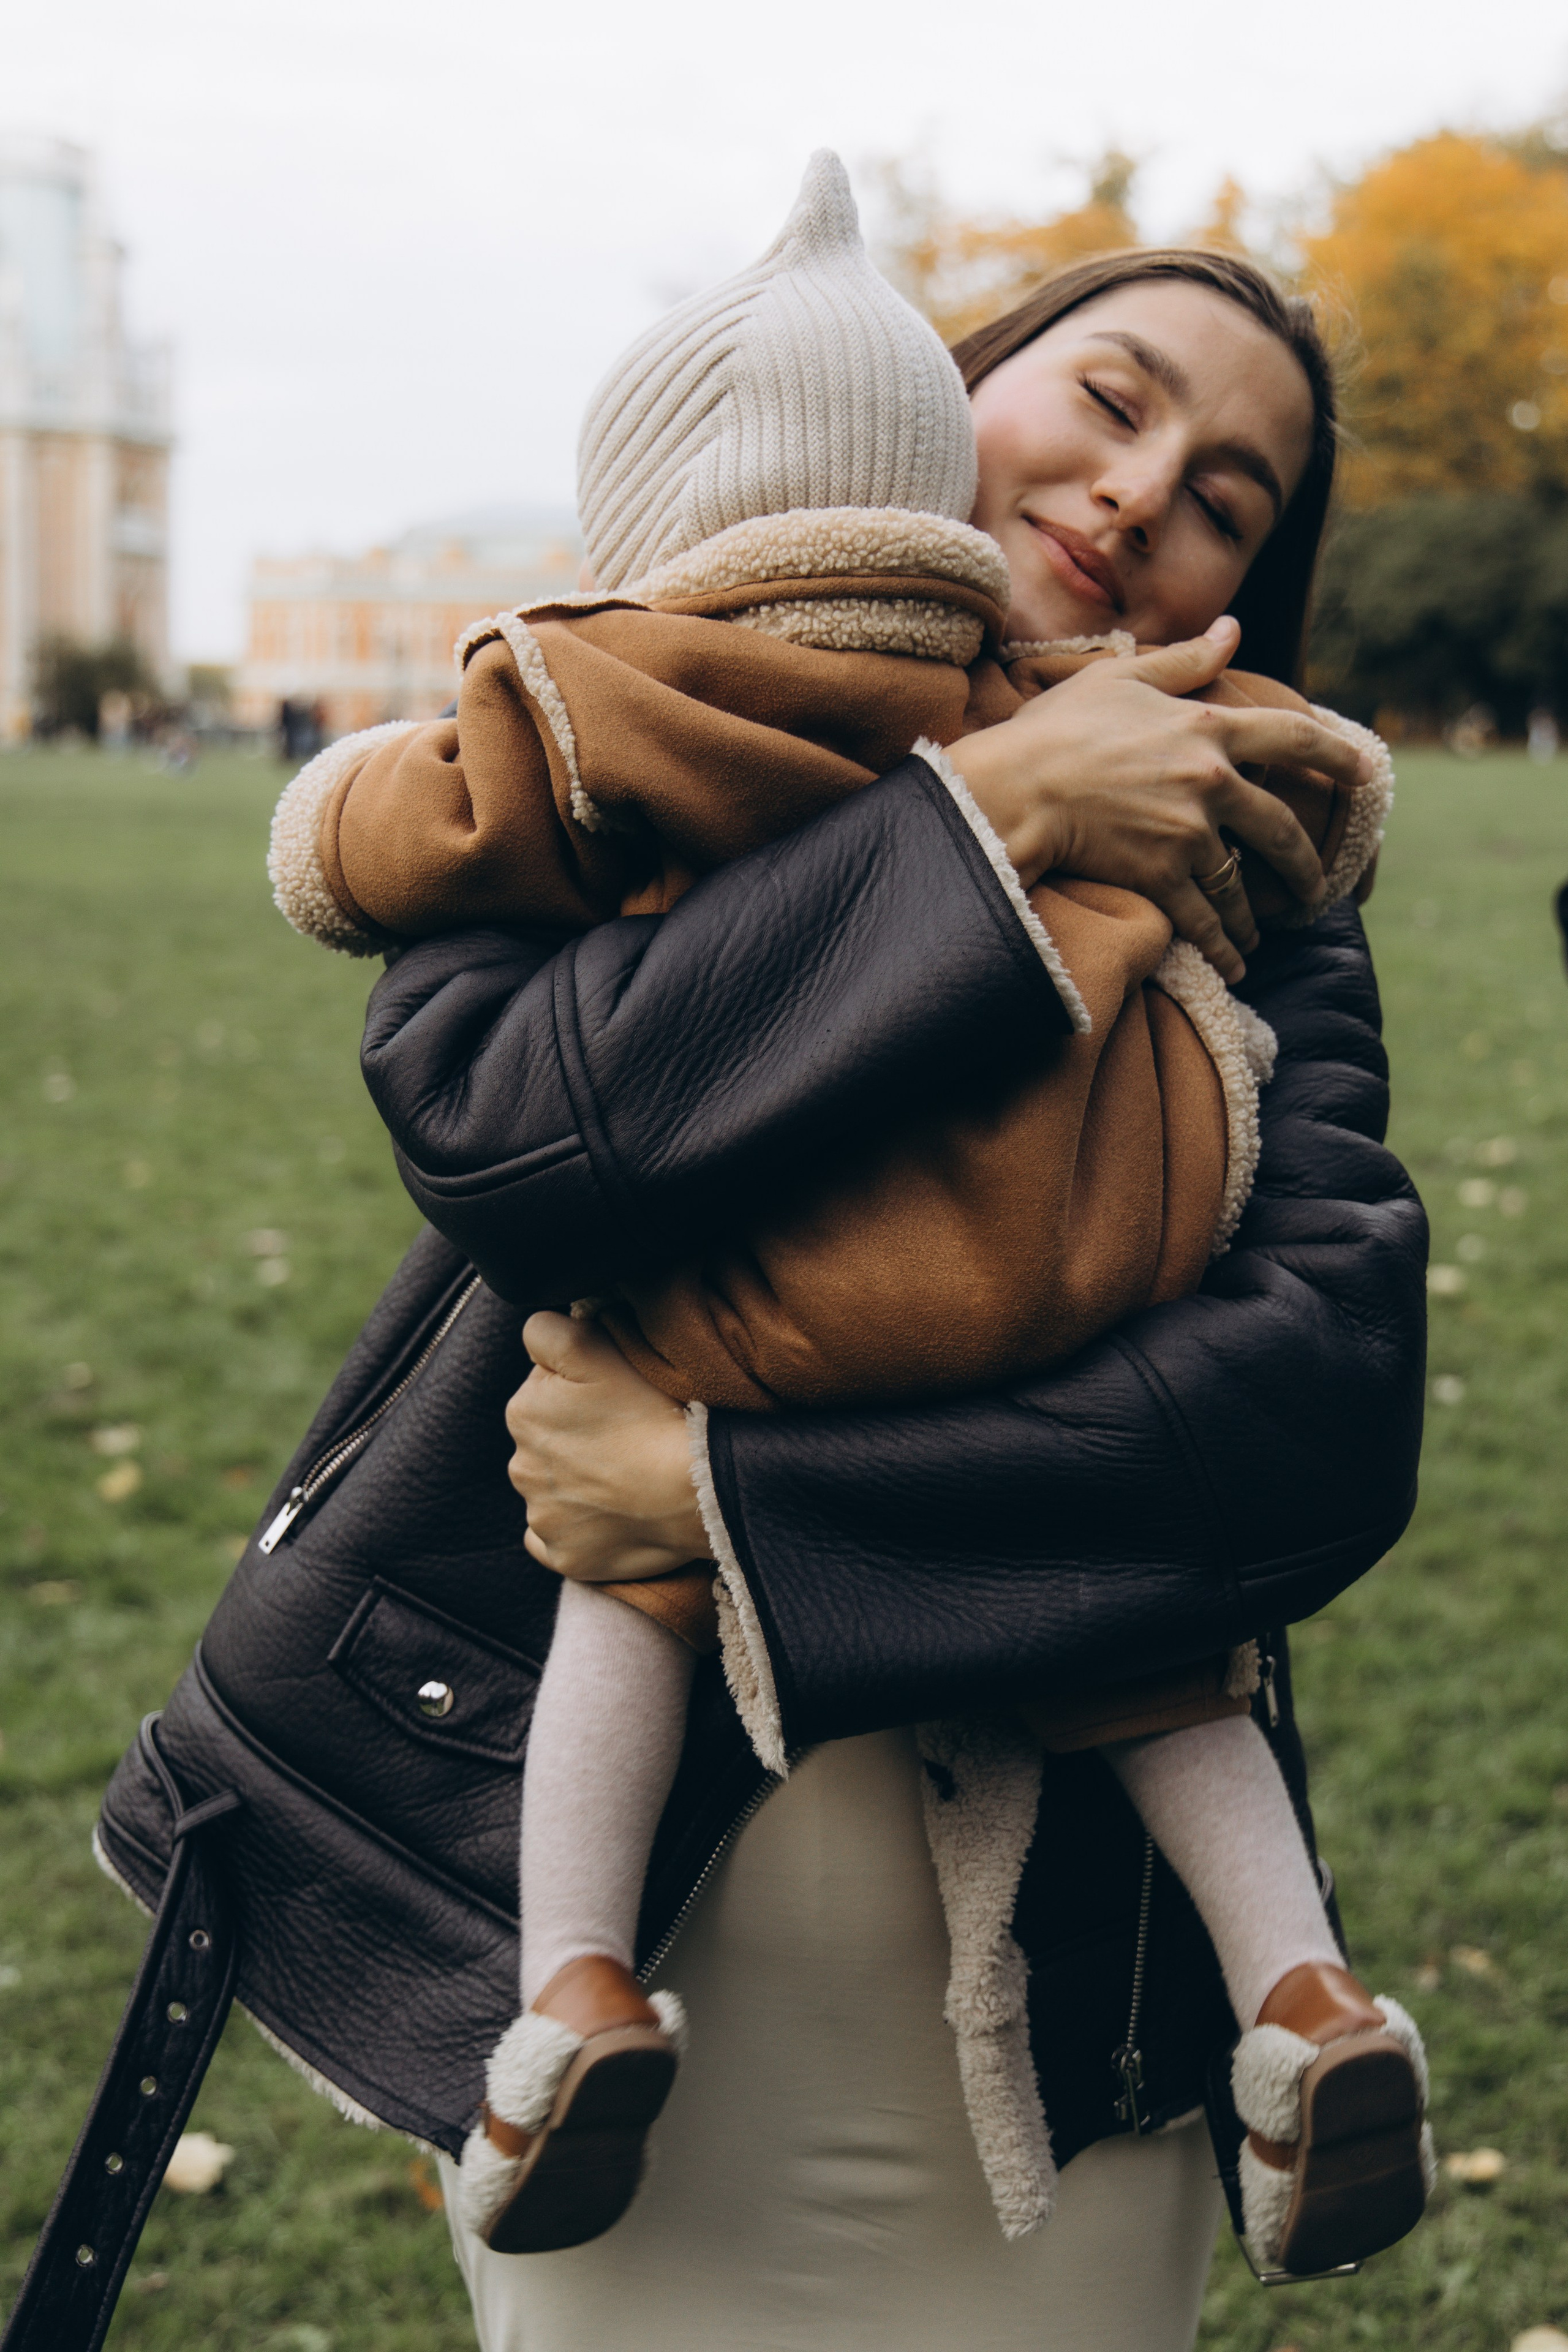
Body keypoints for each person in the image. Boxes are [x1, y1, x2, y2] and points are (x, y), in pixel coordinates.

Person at [270, 156, 1423, 2282]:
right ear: (942, 387)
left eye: (1232, 498)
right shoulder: (647, 709)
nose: (1147, 485)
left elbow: (1324, 1414)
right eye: (1112, 393)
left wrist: (739, 1498)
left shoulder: (1261, 905)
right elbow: (512, 1133)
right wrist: (990, 825)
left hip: (1078, 2006)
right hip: (650, 1976)